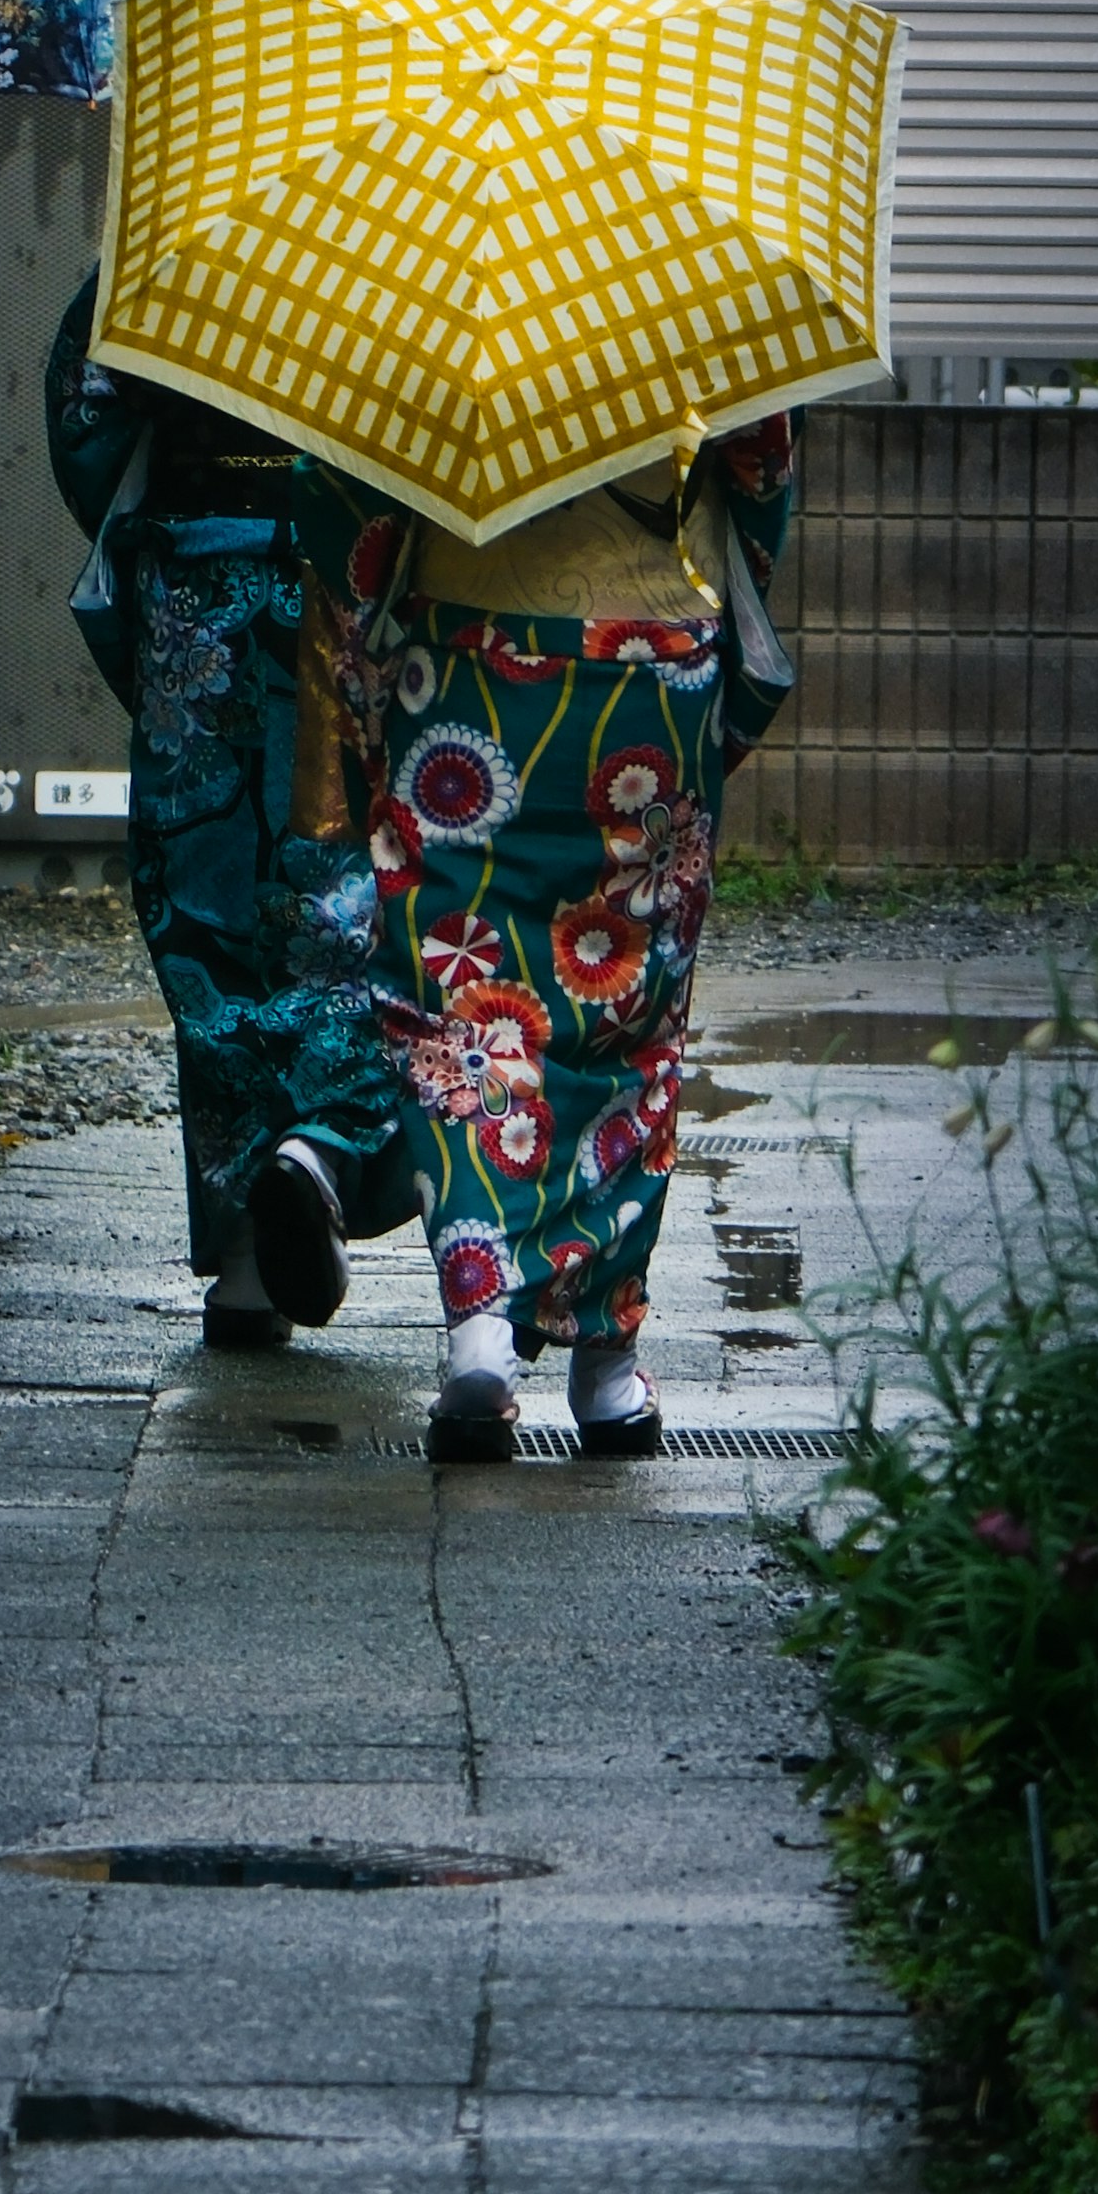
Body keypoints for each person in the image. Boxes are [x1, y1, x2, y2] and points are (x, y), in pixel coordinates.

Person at [305, 413, 799, 1460]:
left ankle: (479, 1330)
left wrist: (358, 667)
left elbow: (353, 502)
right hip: (650, 666)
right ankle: (607, 1364)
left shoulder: (437, 281)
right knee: (630, 1003)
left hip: (465, 658)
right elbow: (760, 479)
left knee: (457, 1000)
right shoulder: (701, 276)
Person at [44, 265, 418, 1346]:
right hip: (344, 579)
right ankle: (325, 1151)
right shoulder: (392, 240)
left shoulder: (180, 224)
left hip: (195, 576)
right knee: (340, 896)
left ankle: (251, 1257)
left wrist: (165, 516)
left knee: (203, 904)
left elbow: (88, 407)